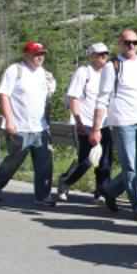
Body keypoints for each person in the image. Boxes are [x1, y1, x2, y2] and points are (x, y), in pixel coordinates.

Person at [94, 29, 137, 222]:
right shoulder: (112, 66)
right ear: (120, 44)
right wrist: (96, 128)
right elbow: (102, 99)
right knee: (129, 165)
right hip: (122, 121)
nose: (131, 46)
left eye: (135, 43)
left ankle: (110, 190)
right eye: (127, 43)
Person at [0, 41, 56, 206]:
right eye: (36, 54)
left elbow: (47, 102)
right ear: (26, 54)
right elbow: (4, 95)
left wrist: (48, 124)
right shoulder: (15, 70)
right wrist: (9, 120)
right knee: (14, 160)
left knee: (45, 163)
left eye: (42, 54)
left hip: (41, 127)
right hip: (19, 125)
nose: (40, 57)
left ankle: (42, 196)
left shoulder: (46, 75)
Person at [56, 42, 113, 202]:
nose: (104, 57)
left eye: (106, 54)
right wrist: (78, 122)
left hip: (104, 124)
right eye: (100, 54)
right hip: (85, 123)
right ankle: (65, 181)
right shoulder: (83, 73)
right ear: (92, 56)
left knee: (105, 161)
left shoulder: (108, 74)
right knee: (86, 160)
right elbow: (73, 98)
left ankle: (102, 192)